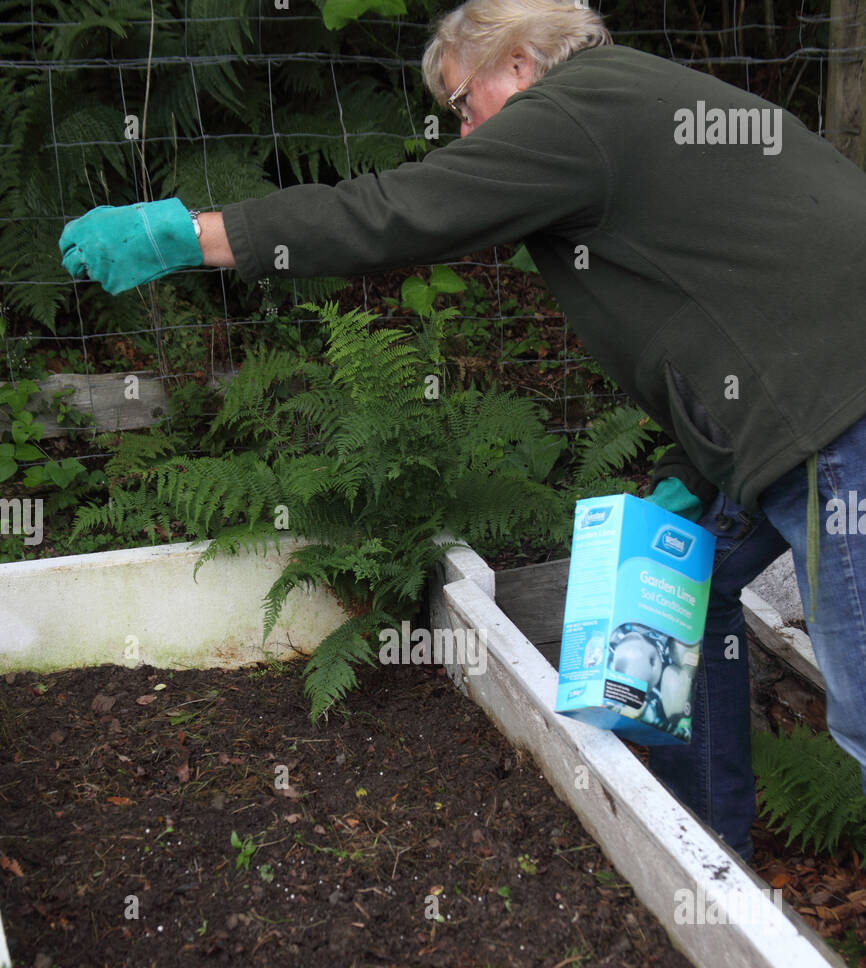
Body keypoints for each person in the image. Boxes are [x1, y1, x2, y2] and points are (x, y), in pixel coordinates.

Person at [58, 0, 866, 863]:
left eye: (461, 100)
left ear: (518, 62)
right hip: (811, 396)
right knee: (675, 586)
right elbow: (731, 300)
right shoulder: (629, 102)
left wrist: (187, 235)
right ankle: (707, 865)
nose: (461, 127)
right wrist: (692, 468)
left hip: (837, 419)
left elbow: (396, 211)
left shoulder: (571, 114)